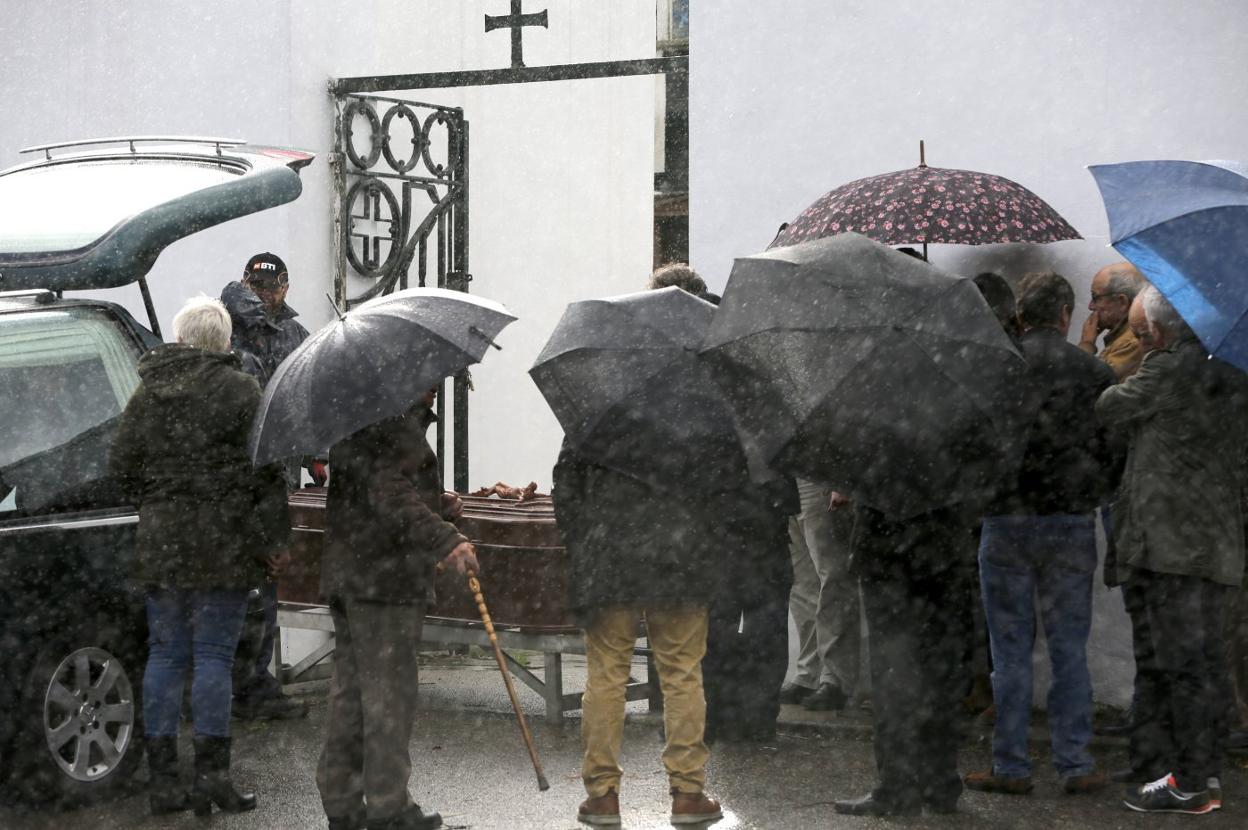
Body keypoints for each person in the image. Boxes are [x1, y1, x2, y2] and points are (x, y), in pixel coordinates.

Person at [110, 296, 289, 816]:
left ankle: (165, 783)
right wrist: (274, 540)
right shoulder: (240, 390)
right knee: (213, 657)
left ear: (181, 338)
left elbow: (121, 463)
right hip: (224, 542)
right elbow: (267, 470)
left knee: (165, 655)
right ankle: (213, 776)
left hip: (162, 541)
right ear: (225, 341)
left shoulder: (149, 391)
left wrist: (158, 499)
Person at [963, 272, 1117, 797]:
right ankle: (1074, 762)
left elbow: (976, 447)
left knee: (1008, 650)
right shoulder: (1093, 373)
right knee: (1069, 646)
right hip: (1069, 520)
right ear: (1066, 315)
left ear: (1022, 315)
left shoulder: (997, 368)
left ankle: (1010, 764)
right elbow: (1110, 450)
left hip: (1005, 520)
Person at [1097, 286, 1248, 814]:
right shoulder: (1230, 368)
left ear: (1161, 330)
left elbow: (1108, 404)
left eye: (1142, 332)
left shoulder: (1171, 367)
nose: (1141, 340)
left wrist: (1144, 356)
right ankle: (1200, 769)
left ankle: (1187, 783)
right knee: (1204, 665)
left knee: (1181, 666)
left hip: (1174, 548)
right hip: (1216, 545)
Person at [316, 387, 477, 830]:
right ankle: (388, 807)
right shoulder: (390, 416)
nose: (438, 385)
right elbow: (387, 491)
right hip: (384, 581)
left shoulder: (361, 410)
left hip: (355, 575)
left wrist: (436, 503)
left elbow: (379, 485)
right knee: (388, 695)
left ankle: (343, 801)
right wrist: (445, 537)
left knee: (352, 693)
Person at [553, 440, 725, 827]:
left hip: (608, 558)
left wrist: (586, 542)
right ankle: (688, 793)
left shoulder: (593, 409)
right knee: (682, 673)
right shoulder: (695, 414)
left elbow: (566, 486)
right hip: (679, 558)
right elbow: (720, 488)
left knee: (607, 676)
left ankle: (602, 796)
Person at [220, 251, 315, 721]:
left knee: (262, 584)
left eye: (271, 285)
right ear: (245, 282)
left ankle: (250, 681)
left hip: (275, 469)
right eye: (256, 286)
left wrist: (315, 454)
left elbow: (306, 398)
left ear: (285, 286)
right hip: (244, 473)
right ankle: (244, 685)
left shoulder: (296, 334)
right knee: (252, 584)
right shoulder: (226, 325)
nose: (263, 293)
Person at [782, 483, 858, 711]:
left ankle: (835, 677)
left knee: (832, 580)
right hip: (786, 479)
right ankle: (809, 673)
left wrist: (842, 482)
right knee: (802, 583)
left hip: (818, 478)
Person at [1078, 263, 1146, 380]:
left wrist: (1086, 344)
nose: (1090, 306)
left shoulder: (1131, 344)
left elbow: (1085, 387)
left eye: (1095, 297)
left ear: (1122, 302)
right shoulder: (1131, 334)